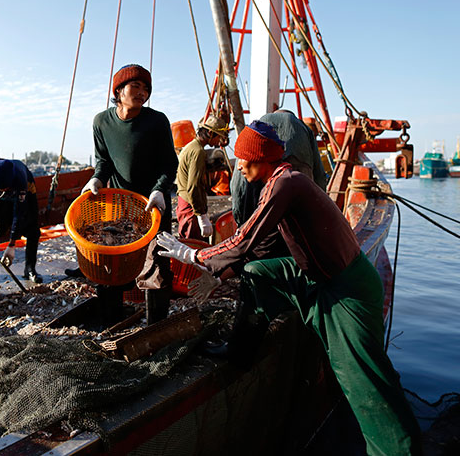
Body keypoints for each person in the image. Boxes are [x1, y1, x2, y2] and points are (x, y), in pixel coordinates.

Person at [156, 121, 422, 456]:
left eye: (243, 160)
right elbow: (258, 248)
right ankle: (240, 349)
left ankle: (396, 450)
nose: (237, 167)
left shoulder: (286, 185)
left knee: (364, 381)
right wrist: (220, 270)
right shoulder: (278, 181)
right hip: (315, 274)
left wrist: (193, 254)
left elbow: (244, 239)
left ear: (260, 159)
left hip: (347, 289)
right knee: (257, 273)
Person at [81, 63, 178, 325]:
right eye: (135, 86)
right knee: (111, 261)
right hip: (119, 204)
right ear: (118, 90)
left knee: (157, 261)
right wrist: (96, 178)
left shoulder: (157, 121)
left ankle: (156, 324)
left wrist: (160, 190)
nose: (142, 93)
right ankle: (112, 322)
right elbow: (103, 160)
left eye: (146, 89)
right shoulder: (101, 121)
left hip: (153, 204)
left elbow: (170, 163)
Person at [0, 158, 42, 284]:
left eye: (6, 188)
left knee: (33, 228)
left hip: (25, 193)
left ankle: (30, 269)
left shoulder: (20, 176)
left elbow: (19, 212)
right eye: (2, 189)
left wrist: (12, 244)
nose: (5, 190)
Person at [175, 115, 229, 240]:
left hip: (184, 201)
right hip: (190, 207)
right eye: (219, 137)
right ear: (210, 133)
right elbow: (194, 186)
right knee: (192, 246)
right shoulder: (198, 152)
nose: (219, 142)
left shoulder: (191, 146)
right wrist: (201, 215)